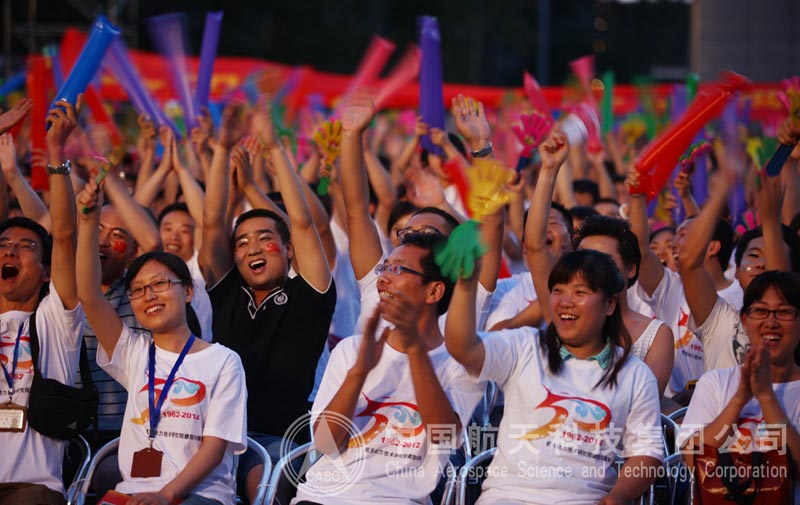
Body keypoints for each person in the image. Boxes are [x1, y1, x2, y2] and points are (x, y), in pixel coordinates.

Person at [445, 248, 663, 504]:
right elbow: (463, 347)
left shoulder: (635, 374)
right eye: (558, 290)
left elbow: (646, 453)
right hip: (507, 497)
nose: (565, 301)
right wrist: (466, 283)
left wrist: (616, 497)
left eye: (580, 292)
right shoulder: (525, 346)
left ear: (610, 304)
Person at [76, 179, 247, 505]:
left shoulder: (224, 361)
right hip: (134, 493)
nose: (148, 295)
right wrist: (86, 223)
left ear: (188, 292)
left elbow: (213, 448)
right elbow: (88, 294)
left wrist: (165, 495)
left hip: (201, 495)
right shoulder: (134, 353)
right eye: (138, 289)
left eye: (159, 284)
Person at [200, 97, 335, 502]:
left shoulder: (307, 296)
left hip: (280, 441)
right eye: (242, 242)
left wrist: (275, 148)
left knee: (264, 491)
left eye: (265, 239)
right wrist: (222, 151)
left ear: (288, 250)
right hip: (217, 437)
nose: (252, 248)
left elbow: (303, 223)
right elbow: (210, 225)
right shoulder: (225, 292)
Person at [292, 231, 483, 505]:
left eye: (398, 269)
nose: (383, 278)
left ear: (434, 291)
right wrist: (359, 372)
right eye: (384, 268)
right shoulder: (351, 350)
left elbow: (445, 436)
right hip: (322, 497)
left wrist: (415, 350)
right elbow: (325, 444)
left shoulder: (462, 362)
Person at [0, 99, 82, 505]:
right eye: (4, 245)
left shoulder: (55, 318)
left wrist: (56, 154)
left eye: (25, 246)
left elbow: (65, 235)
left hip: (33, 488)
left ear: (47, 271)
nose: (11, 251)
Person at [678, 270, 800, 503]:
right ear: (744, 320)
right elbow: (692, 459)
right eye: (760, 311)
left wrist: (766, 397)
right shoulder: (714, 382)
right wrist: (739, 400)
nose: (771, 322)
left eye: (784, 312)